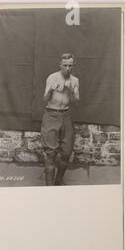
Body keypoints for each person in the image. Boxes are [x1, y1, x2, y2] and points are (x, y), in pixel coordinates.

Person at [41, 53, 80, 186]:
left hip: (66, 116)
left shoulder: (75, 80)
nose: (68, 68)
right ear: (60, 65)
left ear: (73, 66)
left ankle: (58, 180)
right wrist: (51, 90)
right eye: (65, 65)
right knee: (50, 154)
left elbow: (76, 102)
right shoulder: (52, 77)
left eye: (70, 66)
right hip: (51, 115)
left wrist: (70, 91)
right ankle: (49, 187)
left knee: (66, 152)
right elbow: (45, 99)